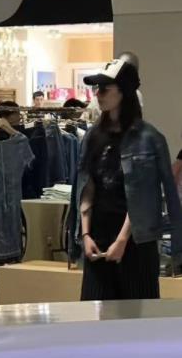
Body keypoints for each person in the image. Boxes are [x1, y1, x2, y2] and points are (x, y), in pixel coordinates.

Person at [71, 58, 182, 300]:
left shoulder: (150, 138)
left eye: (104, 88)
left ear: (124, 91)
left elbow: (146, 195)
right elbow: (87, 187)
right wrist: (86, 235)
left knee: (137, 316)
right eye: (96, 88)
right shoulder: (92, 136)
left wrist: (122, 240)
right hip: (98, 239)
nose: (98, 94)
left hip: (137, 241)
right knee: (94, 313)